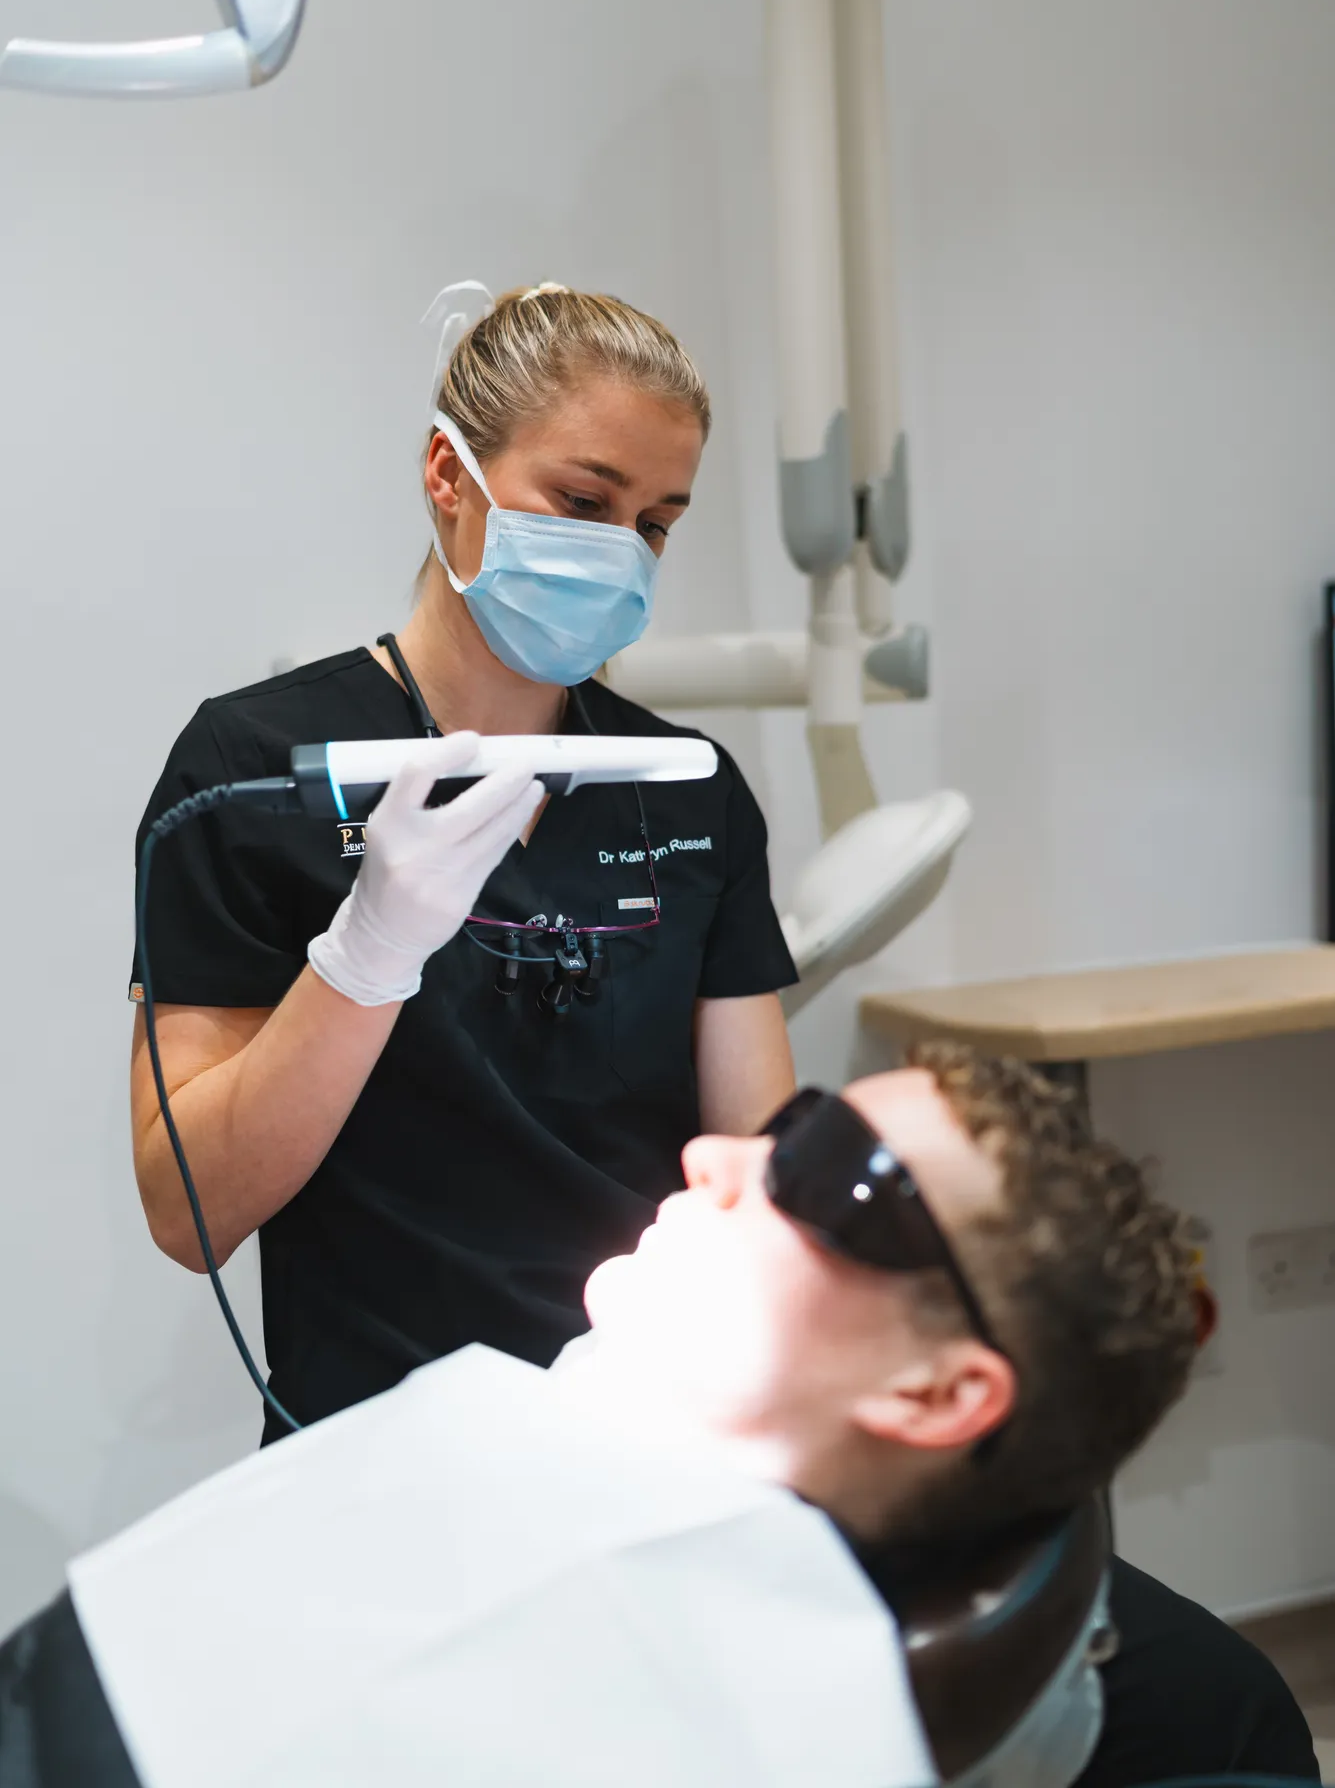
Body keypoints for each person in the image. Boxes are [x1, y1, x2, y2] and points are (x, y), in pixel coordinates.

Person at [2, 1045, 1316, 1786]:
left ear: (935, 1392)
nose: (715, 1152)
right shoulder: (538, 1427)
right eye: (791, 1121)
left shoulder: (748, 1732)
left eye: (833, 1173)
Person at [129, 282, 798, 1441]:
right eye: (582, 501)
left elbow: (759, 1176)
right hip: (374, 1443)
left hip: (643, 1427)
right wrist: (365, 956)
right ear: (451, 475)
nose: (621, 553)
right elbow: (189, 1214)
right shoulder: (253, 768)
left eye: (654, 524)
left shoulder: (684, 786)